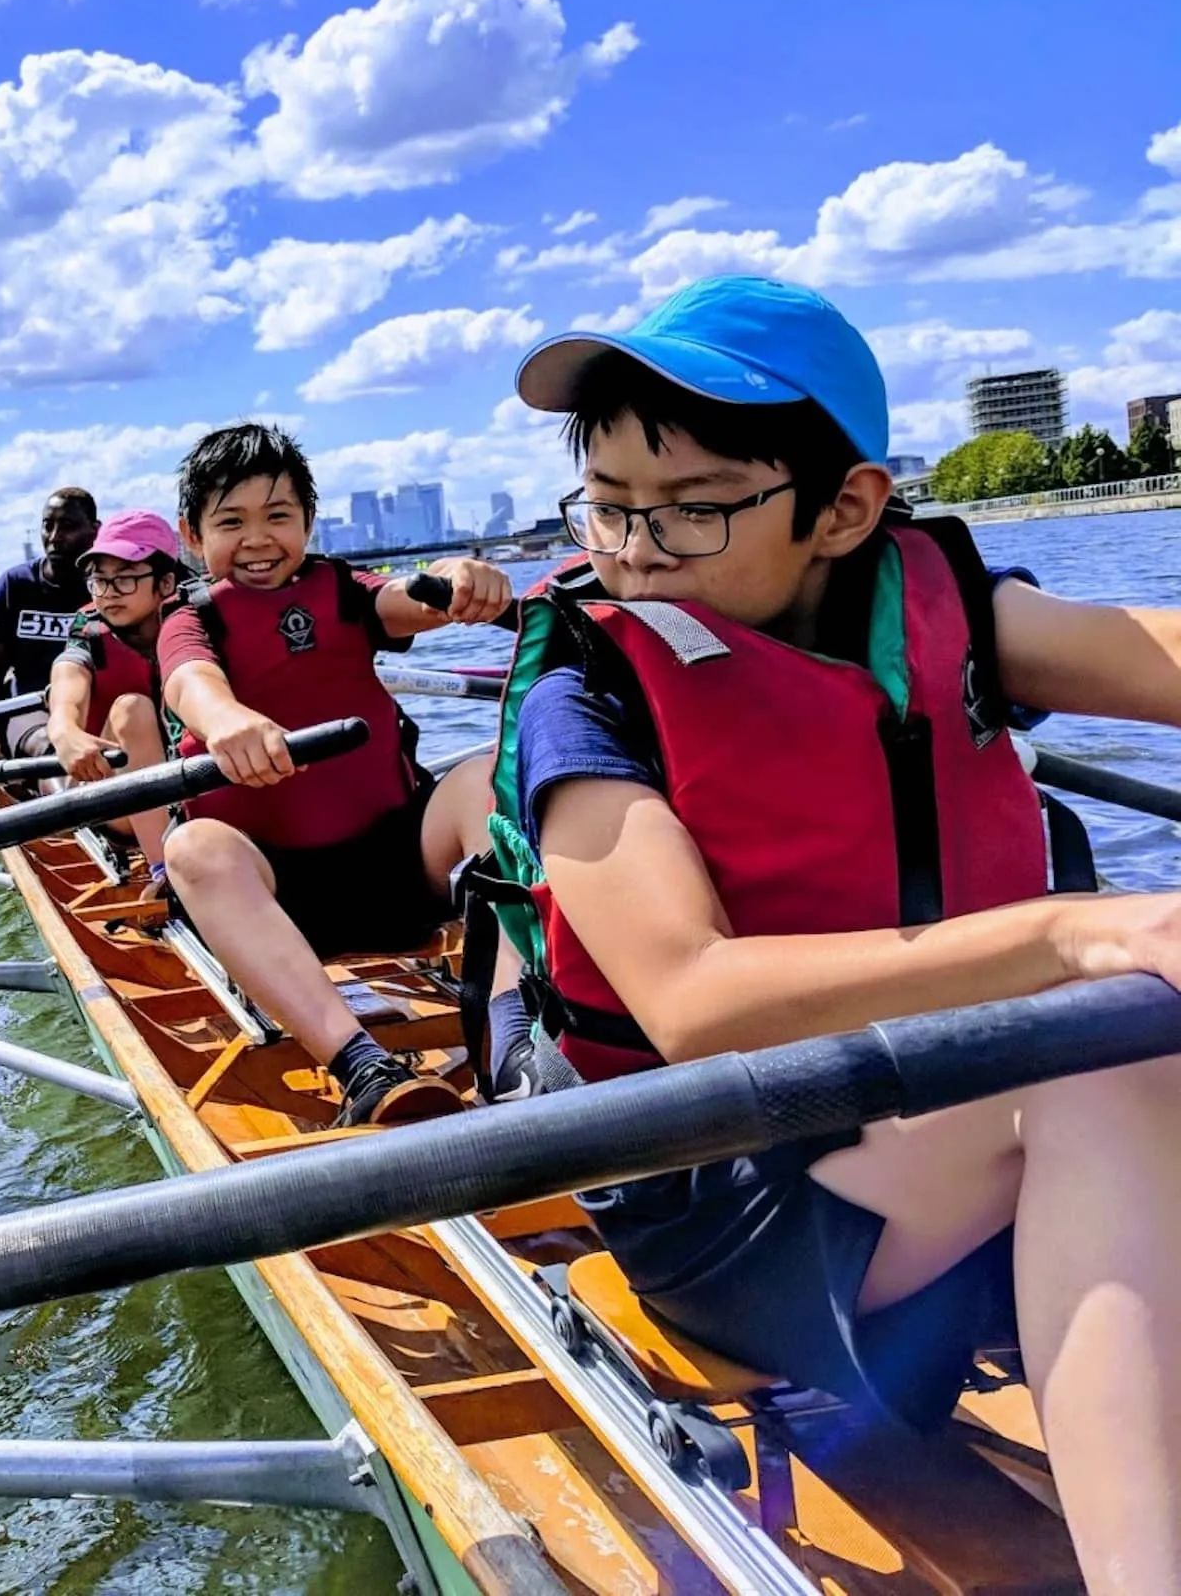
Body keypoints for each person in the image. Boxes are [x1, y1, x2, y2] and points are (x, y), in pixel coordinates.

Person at [493, 273, 1181, 1584]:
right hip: (719, 1186)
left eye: (692, 509)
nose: (638, 549)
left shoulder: (949, 609)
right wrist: (1077, 936)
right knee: (1106, 1062)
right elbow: (691, 997)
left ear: (846, 509)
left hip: (935, 1117)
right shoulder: (585, 688)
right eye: (610, 504)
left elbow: (1153, 649)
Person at [157, 423, 513, 1126]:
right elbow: (189, 681)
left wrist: (459, 578)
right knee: (191, 849)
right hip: (279, 900)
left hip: (396, 872)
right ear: (192, 536)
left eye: (277, 516)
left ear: (309, 522)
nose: (257, 539)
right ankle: (363, 1067)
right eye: (231, 522)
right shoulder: (189, 619)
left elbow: (410, 599)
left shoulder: (344, 590)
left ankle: (514, 1030)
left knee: (486, 778)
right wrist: (227, 721)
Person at [43, 508, 184, 876]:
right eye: (100, 580)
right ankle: (165, 870)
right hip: (111, 797)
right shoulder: (89, 631)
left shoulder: (196, 619)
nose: (108, 593)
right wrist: (63, 730)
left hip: (189, 782)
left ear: (166, 583)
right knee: (132, 708)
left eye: (124, 579)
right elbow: (67, 679)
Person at [0, 488, 99, 761]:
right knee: (50, 744)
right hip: (30, 705)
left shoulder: (107, 586)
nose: (55, 537)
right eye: (48, 526)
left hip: (89, 702)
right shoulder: (14, 585)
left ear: (94, 530)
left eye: (68, 526)